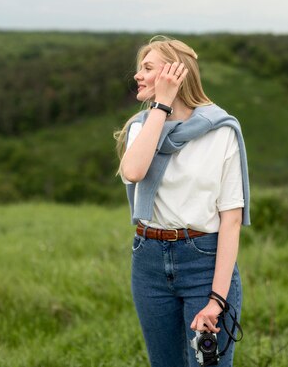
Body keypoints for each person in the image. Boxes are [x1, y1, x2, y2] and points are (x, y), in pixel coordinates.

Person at [114, 35, 251, 367]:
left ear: (174, 73)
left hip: (203, 260)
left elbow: (230, 220)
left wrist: (217, 298)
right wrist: (161, 106)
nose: (138, 75)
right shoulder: (144, 127)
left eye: (147, 68)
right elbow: (133, 171)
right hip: (148, 260)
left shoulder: (221, 131)